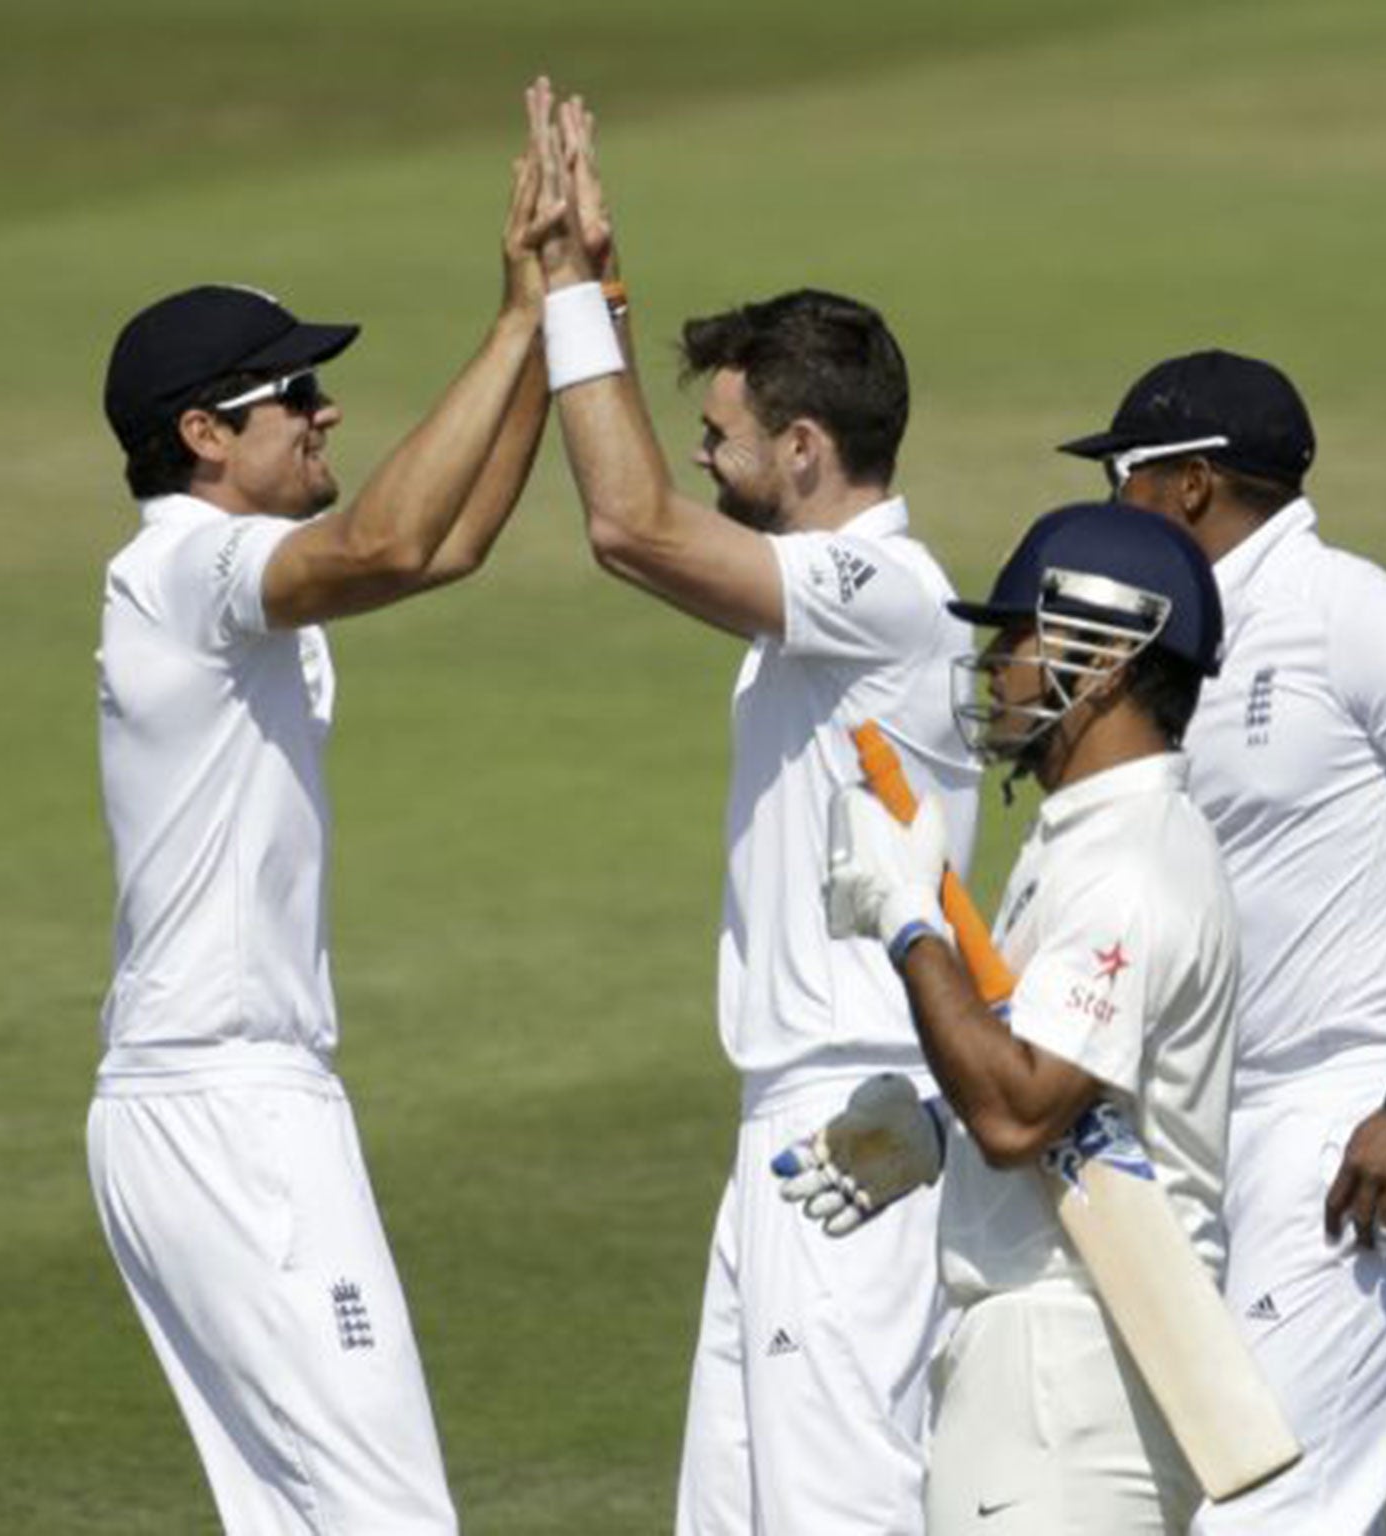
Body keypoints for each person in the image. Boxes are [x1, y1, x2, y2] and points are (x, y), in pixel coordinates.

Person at [84, 111, 557, 1536]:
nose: (326, 411)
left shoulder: (229, 576)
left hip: (203, 1100)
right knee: (386, 1511)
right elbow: (393, 540)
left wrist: (562, 325)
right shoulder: (185, 569)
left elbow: (455, 543)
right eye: (297, 392)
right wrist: (517, 311)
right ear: (203, 435)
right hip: (230, 1107)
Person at [527, 90, 981, 1534]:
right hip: (795, 1115)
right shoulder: (830, 612)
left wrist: (562, 307)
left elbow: (629, 527)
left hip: (856, 1112)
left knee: (838, 1509)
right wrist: (594, 282)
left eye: (722, 434)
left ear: (802, 448)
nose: (702, 461)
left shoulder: (889, 595)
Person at [1059, 350, 1386, 1533]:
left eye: (1121, 478)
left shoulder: (1363, 615)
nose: (1107, 509)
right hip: (1210, 1125)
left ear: (1188, 484)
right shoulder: (1169, 642)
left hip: (1362, 1125)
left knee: (1267, 1513)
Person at [783, 502, 1241, 1534]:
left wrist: (912, 928)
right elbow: (1055, 1089)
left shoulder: (1128, 864)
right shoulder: (1082, 839)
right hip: (1053, 1360)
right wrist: (933, 1133)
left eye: (1017, 637)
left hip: (1068, 1368)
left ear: (1110, 661)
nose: (994, 663)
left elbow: (1021, 1114)